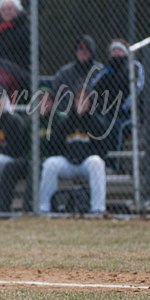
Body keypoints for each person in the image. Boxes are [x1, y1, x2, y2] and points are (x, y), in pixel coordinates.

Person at [0, 85, 66, 212]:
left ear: (52, 103)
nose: (43, 104)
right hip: (30, 159)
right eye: (40, 100)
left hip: (48, 160)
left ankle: (27, 208)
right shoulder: (31, 120)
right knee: (11, 167)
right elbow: (23, 145)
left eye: (47, 100)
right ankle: (1, 209)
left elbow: (59, 146)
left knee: (35, 166)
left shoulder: (60, 120)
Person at [39, 86, 108, 215]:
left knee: (97, 162)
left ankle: (98, 209)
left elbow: (103, 149)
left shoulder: (97, 123)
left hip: (86, 163)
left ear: (90, 102)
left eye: (85, 99)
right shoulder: (65, 122)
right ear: (74, 102)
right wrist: (69, 155)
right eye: (78, 98)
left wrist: (83, 154)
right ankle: (44, 209)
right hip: (68, 163)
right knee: (50, 164)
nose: (81, 102)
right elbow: (54, 145)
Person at [90, 39, 144, 171]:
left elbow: (138, 89)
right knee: (99, 123)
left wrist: (124, 107)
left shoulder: (134, 66)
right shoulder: (106, 70)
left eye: (119, 50)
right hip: (108, 112)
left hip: (128, 113)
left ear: (125, 53)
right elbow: (93, 89)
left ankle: (114, 164)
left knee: (116, 126)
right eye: (113, 50)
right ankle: (100, 163)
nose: (116, 53)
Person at [52, 34, 103, 112]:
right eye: (80, 48)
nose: (83, 52)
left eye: (87, 48)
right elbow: (57, 96)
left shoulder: (99, 71)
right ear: (76, 51)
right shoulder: (65, 73)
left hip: (95, 114)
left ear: (92, 51)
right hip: (69, 114)